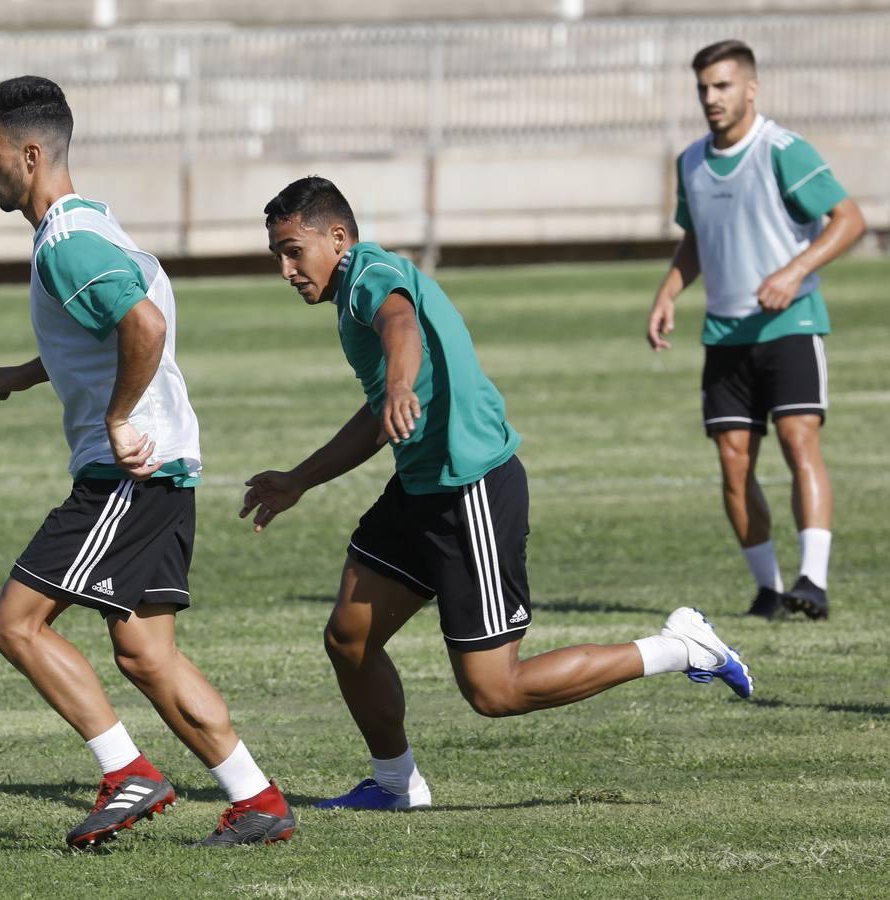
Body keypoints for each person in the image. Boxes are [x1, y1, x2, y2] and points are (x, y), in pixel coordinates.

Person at [243, 176, 753, 812]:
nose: (286, 269)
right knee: (349, 638)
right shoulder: (347, 296)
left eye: (294, 250)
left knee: (495, 691)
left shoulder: (369, 272)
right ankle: (396, 784)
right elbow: (381, 413)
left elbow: (401, 322)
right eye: (277, 257)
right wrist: (299, 479)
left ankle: (681, 647)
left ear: (338, 238)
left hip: (471, 490)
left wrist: (400, 384)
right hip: (420, 491)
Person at [0, 76, 294, 848]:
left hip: (128, 472)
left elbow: (140, 324)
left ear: (31, 153)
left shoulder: (69, 243)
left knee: (15, 623)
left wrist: (115, 419)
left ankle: (127, 773)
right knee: (146, 652)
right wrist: (23, 374)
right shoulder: (93, 227)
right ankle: (258, 801)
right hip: (165, 467)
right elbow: (108, 328)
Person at [646, 40, 865, 621]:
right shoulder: (690, 160)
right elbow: (695, 237)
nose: (710, 98)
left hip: (791, 325)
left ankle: (811, 582)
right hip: (725, 335)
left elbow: (851, 219)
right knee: (733, 459)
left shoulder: (781, 150)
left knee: (799, 441)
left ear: (750, 88)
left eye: (721, 86)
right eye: (702, 88)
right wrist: (669, 293)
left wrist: (795, 271)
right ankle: (769, 590)